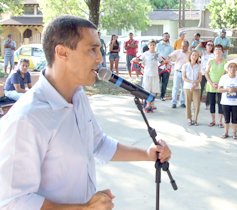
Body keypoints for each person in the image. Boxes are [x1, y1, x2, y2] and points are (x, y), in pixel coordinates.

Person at [0, 15, 171, 209]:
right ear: (62, 53)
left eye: (99, 49)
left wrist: (147, 154)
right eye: (92, 49)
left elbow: (97, 143)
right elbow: (13, 202)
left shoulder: (78, 95)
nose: (100, 58)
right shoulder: (25, 119)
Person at [132, 39, 167, 113]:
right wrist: (134, 59)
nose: (152, 46)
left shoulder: (157, 54)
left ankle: (152, 104)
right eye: (150, 45)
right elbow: (139, 60)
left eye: (153, 45)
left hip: (155, 75)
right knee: (147, 90)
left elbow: (162, 62)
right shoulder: (145, 54)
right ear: (148, 46)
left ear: (155, 46)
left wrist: (167, 60)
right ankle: (148, 104)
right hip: (147, 75)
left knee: (154, 90)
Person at [218, 60, 237, 139]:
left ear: (236, 68)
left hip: (236, 102)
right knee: (226, 118)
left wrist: (236, 89)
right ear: (228, 68)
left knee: (235, 118)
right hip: (226, 101)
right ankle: (226, 132)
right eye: (231, 67)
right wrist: (227, 89)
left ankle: (234, 133)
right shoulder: (224, 77)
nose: (232, 68)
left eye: (234, 67)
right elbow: (219, 90)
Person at [205, 44, 226, 128]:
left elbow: (226, 74)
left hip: (221, 87)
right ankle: (213, 120)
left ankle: (220, 121)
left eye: (219, 50)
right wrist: (211, 83)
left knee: (221, 103)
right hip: (211, 86)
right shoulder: (210, 61)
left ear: (222, 52)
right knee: (212, 103)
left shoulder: (225, 61)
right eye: (216, 50)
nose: (217, 51)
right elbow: (206, 73)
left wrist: (221, 85)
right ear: (213, 51)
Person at [182, 50, 202, 126]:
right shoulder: (185, 66)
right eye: (193, 55)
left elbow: (199, 78)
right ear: (190, 56)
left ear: (197, 57)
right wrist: (192, 82)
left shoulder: (199, 66)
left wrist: (194, 85)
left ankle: (195, 119)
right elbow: (184, 78)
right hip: (187, 87)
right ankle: (190, 119)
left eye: (196, 55)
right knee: (188, 103)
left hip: (197, 87)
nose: (194, 57)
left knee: (197, 104)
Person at [168, 41, 190, 108]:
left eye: (184, 46)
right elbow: (171, 56)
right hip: (178, 72)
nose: (182, 48)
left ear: (187, 47)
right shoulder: (177, 52)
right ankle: (174, 102)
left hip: (186, 73)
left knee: (184, 88)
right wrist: (169, 57)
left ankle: (182, 102)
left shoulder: (190, 54)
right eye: (182, 46)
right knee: (175, 87)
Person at [196, 40, 215, 110]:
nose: (210, 46)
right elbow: (195, 51)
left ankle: (208, 104)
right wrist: (199, 45)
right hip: (203, 73)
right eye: (209, 44)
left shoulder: (214, 54)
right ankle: (197, 103)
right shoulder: (203, 53)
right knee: (200, 89)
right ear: (206, 46)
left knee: (209, 90)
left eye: (211, 45)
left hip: (211, 74)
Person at [155, 32, 174, 101]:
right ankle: (155, 95)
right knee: (157, 82)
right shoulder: (158, 45)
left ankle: (162, 96)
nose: (165, 37)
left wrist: (166, 61)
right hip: (158, 66)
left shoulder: (171, 47)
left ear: (169, 38)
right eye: (164, 36)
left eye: (167, 36)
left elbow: (172, 57)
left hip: (166, 67)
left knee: (164, 83)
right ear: (162, 37)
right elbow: (155, 54)